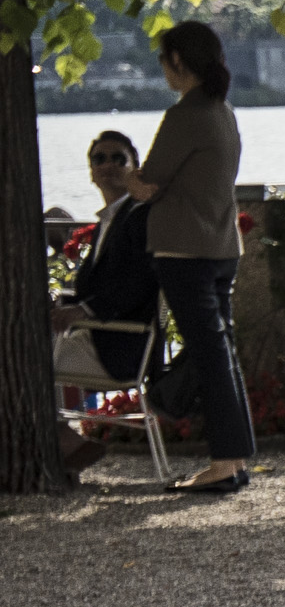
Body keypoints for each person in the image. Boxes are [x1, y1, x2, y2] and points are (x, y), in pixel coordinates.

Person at [125, 19, 255, 496]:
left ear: (178, 61)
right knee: (221, 353)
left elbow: (146, 186)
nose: (163, 69)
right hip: (221, 247)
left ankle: (223, 462)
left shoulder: (184, 116)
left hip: (184, 249)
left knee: (209, 354)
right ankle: (233, 458)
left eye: (164, 60)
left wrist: (126, 176)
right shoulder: (224, 112)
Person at [48, 131, 163, 474]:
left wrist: (81, 311)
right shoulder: (109, 222)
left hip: (120, 345)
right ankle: (61, 440)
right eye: (99, 159)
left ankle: (63, 439)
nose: (108, 165)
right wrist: (61, 303)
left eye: (118, 158)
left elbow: (137, 284)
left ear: (135, 168)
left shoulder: (140, 216)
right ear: (91, 172)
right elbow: (99, 288)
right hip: (100, 336)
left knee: (21, 360)